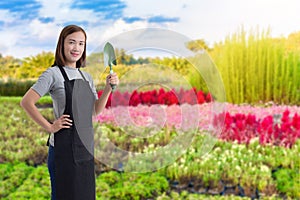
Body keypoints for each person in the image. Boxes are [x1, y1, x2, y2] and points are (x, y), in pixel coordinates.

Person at [20, 24, 119, 200]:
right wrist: (50, 127)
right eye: (72, 42)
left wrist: (108, 88)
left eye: (81, 44)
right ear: (62, 44)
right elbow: (27, 102)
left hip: (85, 150)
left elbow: (94, 111)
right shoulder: (53, 74)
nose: (76, 48)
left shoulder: (86, 77)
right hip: (62, 151)